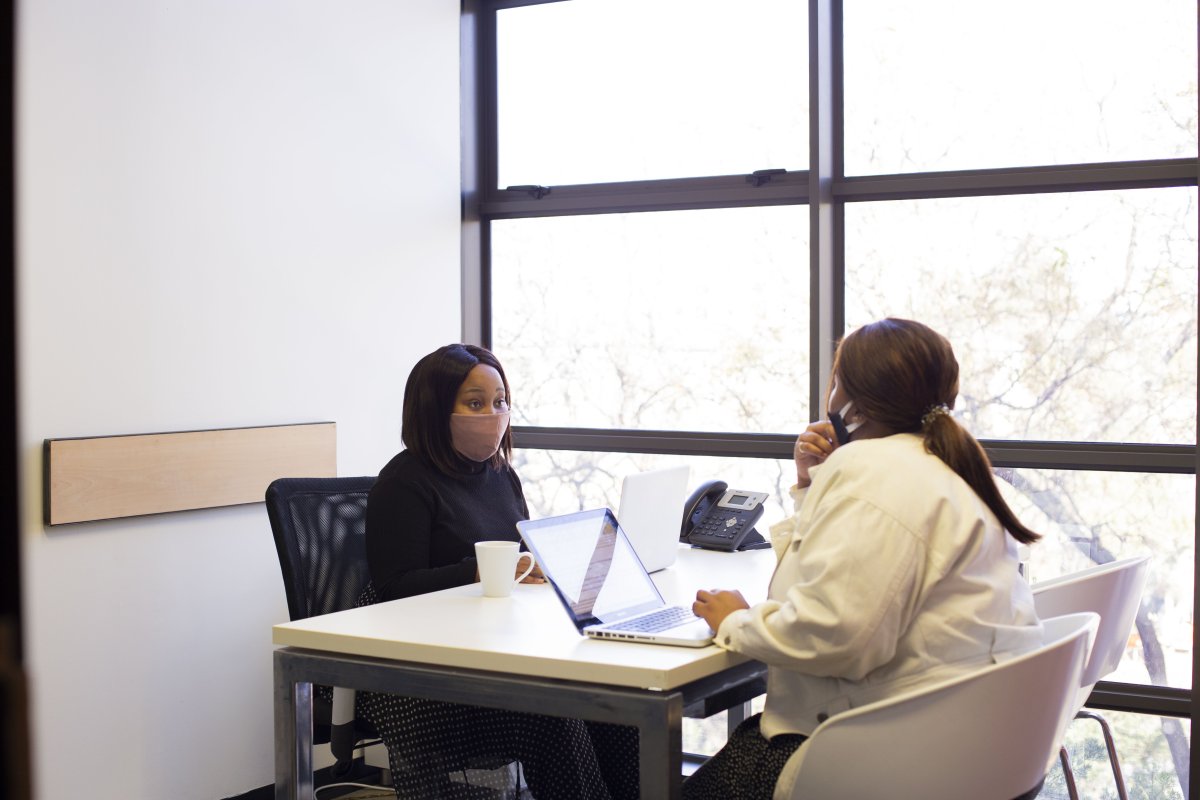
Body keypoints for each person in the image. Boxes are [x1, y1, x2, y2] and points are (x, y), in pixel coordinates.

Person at [685, 318, 1044, 800]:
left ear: (853, 406)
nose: (829, 397)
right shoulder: (943, 466)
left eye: (835, 382)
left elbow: (836, 638)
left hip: (878, 759)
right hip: (968, 752)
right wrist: (811, 485)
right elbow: (834, 578)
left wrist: (736, 622)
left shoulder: (874, 471)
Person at [355, 343, 638, 800]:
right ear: (434, 410)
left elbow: (518, 561)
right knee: (556, 715)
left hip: (496, 648)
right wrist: (482, 571)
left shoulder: (501, 475)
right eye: (475, 403)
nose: (493, 414)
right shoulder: (403, 483)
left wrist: (537, 566)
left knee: (619, 704)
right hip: (424, 676)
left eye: (500, 401)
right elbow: (395, 588)